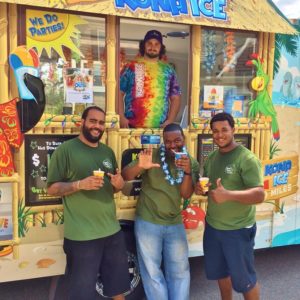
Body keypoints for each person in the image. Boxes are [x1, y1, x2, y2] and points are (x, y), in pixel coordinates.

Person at [47, 106, 130, 300]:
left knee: (118, 288)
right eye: (93, 121)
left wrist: (119, 185)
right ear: (82, 122)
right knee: (81, 294)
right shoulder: (66, 151)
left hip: (112, 232)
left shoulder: (107, 152)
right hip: (81, 237)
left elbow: (113, 188)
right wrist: (78, 184)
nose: (97, 126)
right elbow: (51, 188)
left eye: (101, 123)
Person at [122, 123, 199, 300]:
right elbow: (126, 176)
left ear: (183, 139)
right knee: (151, 271)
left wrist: (187, 172)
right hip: (148, 221)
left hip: (174, 222)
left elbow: (186, 193)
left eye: (177, 140)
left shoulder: (191, 162)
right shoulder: (152, 155)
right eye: (168, 141)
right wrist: (141, 166)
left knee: (180, 271)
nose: (173, 145)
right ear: (163, 142)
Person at [195, 112, 265, 300]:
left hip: (238, 230)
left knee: (245, 281)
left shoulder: (246, 158)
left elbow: (259, 194)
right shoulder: (212, 157)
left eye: (224, 129)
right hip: (213, 227)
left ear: (233, 130)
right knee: (221, 274)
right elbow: (210, 186)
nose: (219, 135)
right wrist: (201, 189)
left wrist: (228, 195)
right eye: (215, 131)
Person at [119, 29, 181, 128]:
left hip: (160, 129)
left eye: (157, 44)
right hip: (132, 127)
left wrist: (170, 120)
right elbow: (118, 92)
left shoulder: (168, 71)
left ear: (161, 47)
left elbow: (175, 97)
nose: (153, 47)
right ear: (144, 45)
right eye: (149, 43)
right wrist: (121, 117)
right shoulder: (131, 67)